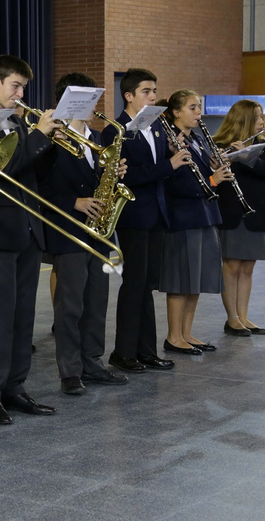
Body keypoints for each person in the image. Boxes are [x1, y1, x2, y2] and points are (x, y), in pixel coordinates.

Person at [0, 54, 59, 425]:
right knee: (1, 317)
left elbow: (34, 172)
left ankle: (15, 387)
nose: (20, 94)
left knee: (25, 316)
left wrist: (51, 142)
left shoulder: (16, 120)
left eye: (24, 87)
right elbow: (4, 171)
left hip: (29, 226)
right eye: (15, 86)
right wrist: (38, 137)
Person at [39, 73, 129, 395]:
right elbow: (38, 190)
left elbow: (100, 182)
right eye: (88, 99)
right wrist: (73, 202)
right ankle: (69, 371)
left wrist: (114, 173)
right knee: (70, 304)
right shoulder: (51, 139)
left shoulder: (100, 137)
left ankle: (93, 362)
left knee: (97, 301)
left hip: (100, 233)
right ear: (68, 102)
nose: (96, 105)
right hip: (68, 231)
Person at [101, 69, 190, 373]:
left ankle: (146, 350)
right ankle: (123, 352)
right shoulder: (116, 130)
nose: (153, 97)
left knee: (148, 284)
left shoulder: (154, 127)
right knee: (134, 283)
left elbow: (155, 170)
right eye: (146, 91)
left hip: (156, 214)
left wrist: (172, 153)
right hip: (133, 215)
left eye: (154, 90)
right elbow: (129, 176)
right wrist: (169, 164)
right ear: (128, 95)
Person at [158, 90, 231, 355]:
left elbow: (199, 173)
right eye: (192, 107)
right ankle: (173, 336)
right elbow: (176, 181)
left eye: (199, 107)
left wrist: (214, 169)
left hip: (205, 212)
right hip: (183, 215)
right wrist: (212, 181)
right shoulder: (168, 140)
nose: (198, 112)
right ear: (176, 112)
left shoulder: (197, 138)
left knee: (196, 278)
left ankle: (186, 333)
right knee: (181, 279)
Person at [213, 100, 265, 336]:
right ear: (243, 120)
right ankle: (232, 318)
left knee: (248, 268)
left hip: (256, 212)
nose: (261, 123)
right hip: (230, 212)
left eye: (261, 118)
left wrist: (247, 156)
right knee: (231, 266)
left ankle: (243, 316)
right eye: (257, 118)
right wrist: (225, 157)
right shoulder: (219, 145)